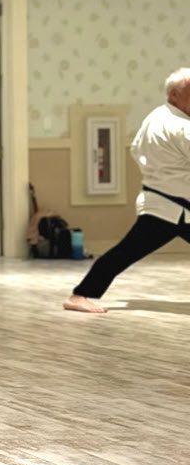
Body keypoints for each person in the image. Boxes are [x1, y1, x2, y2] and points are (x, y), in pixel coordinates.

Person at [64, 68, 190, 313]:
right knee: (126, 252)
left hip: (166, 202)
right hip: (168, 207)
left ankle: (81, 294)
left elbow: (135, 149)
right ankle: (79, 295)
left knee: (126, 251)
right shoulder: (179, 127)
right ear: (174, 95)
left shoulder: (156, 117)